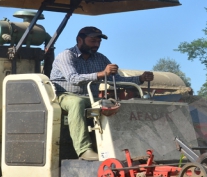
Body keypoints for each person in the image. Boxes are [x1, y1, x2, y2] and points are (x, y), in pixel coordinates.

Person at [50, 26, 153, 160]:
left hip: (90, 97)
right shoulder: (66, 55)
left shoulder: (100, 58)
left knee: (113, 104)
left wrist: (140, 78)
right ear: (79, 40)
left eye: (99, 42)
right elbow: (73, 79)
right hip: (64, 95)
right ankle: (84, 150)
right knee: (77, 103)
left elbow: (116, 80)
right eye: (93, 41)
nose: (96, 45)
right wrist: (102, 74)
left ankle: (118, 148)